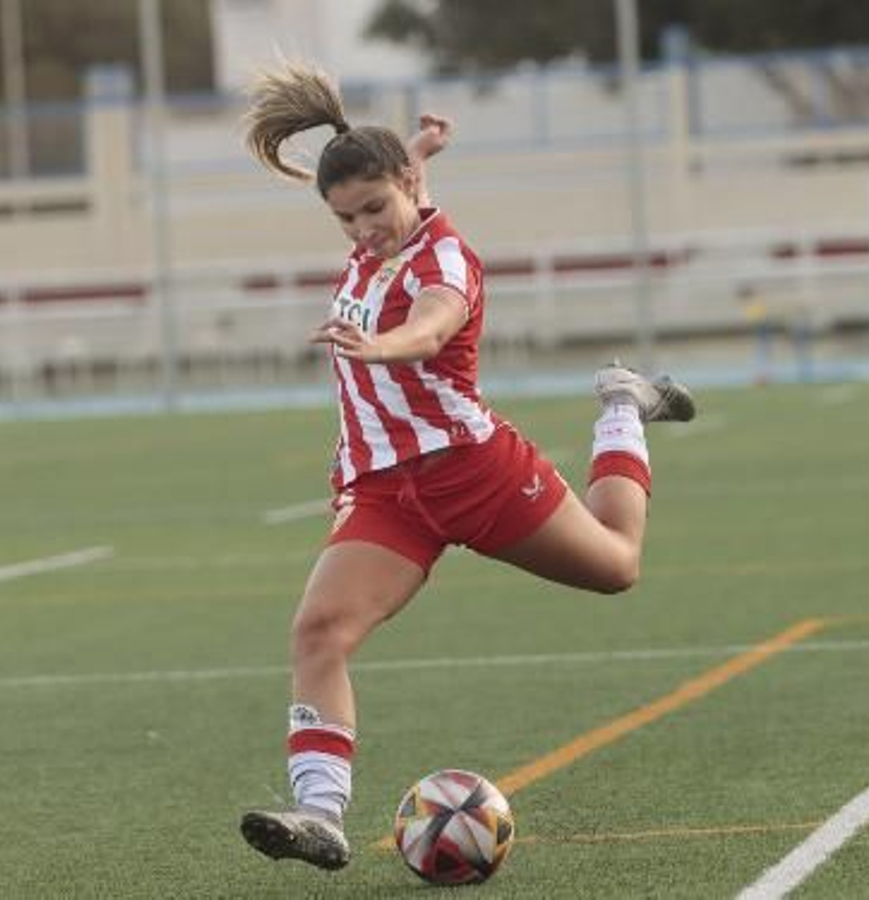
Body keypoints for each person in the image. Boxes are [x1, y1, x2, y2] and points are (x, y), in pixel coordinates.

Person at [237, 61, 696, 872]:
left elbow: (431, 324)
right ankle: (320, 816)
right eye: (347, 219)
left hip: (473, 471)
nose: (364, 230)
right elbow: (388, 187)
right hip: (387, 494)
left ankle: (622, 405)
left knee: (618, 566)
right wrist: (417, 149)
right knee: (318, 630)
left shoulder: (446, 262)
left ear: (407, 187)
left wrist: (381, 346)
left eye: (375, 209)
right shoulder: (384, 213)